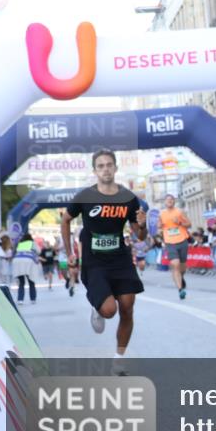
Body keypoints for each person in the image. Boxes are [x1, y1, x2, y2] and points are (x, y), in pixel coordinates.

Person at [62, 150, 147, 375]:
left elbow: (140, 236)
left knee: (127, 307)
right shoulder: (85, 196)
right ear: (95, 171)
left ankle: (118, 360)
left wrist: (142, 224)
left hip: (120, 258)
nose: (105, 169)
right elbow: (66, 220)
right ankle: (97, 306)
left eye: (109, 165)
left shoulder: (128, 197)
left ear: (116, 168)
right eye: (100, 166)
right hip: (95, 261)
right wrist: (69, 252)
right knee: (109, 311)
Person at [158, 194, 192, 300]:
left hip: (182, 240)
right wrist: (159, 226)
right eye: (167, 199)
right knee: (175, 264)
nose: (169, 201)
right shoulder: (161, 214)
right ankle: (180, 289)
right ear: (164, 202)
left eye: (171, 199)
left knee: (182, 267)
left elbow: (189, 224)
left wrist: (180, 222)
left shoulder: (180, 211)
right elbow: (158, 226)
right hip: (170, 242)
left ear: (174, 201)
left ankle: (181, 277)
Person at [13, 232, 39, 304]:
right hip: (29, 261)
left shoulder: (20, 244)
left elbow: (15, 251)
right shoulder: (32, 243)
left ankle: (20, 299)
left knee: (21, 283)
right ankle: (33, 299)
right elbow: (38, 251)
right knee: (31, 281)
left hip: (17, 261)